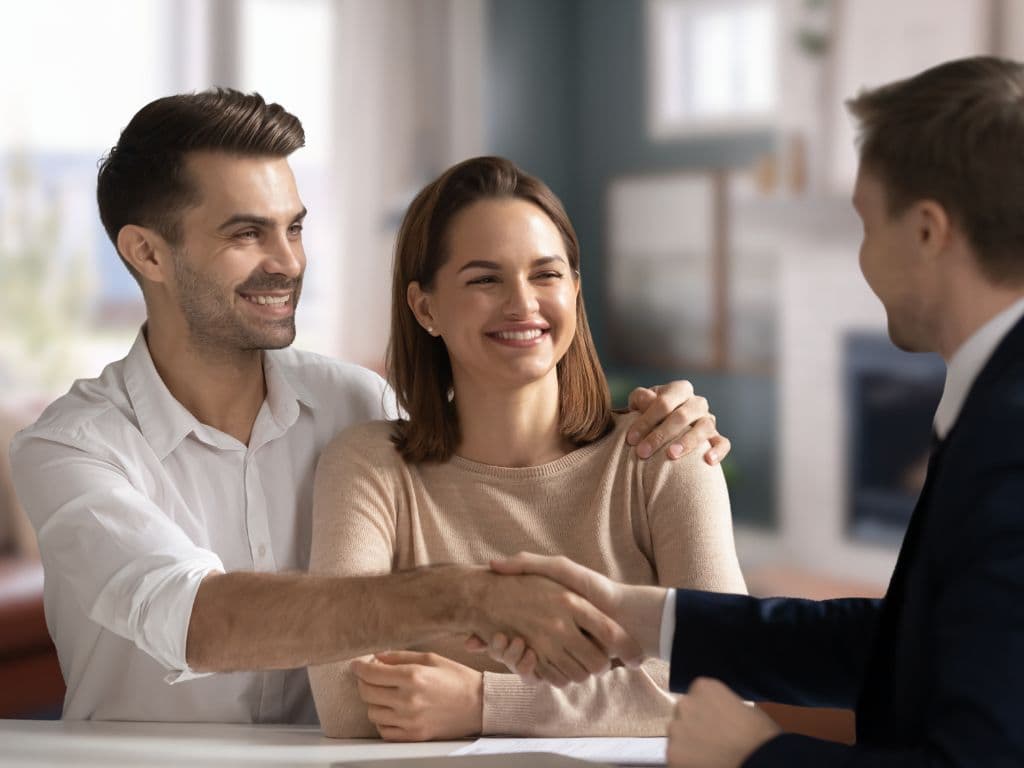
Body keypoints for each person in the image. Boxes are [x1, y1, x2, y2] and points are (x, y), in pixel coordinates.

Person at [8, 89, 730, 724]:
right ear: (147, 254)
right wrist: (469, 599)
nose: (289, 262)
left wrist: (667, 419)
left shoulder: (355, 404)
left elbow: (499, 393)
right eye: (246, 233)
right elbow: (197, 622)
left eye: (293, 227)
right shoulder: (70, 448)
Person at [486, 56, 1024, 766]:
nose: (861, 260)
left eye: (865, 225)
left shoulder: (1011, 438)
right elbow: (913, 642)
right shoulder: (993, 405)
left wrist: (756, 757)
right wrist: (641, 617)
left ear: (928, 231)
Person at [306, 156, 747, 741]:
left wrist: (484, 702)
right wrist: (623, 693)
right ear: (425, 307)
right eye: (485, 279)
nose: (523, 303)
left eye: (546, 274)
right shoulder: (369, 466)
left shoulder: (663, 454)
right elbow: (346, 701)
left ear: (575, 289)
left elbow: (729, 680)